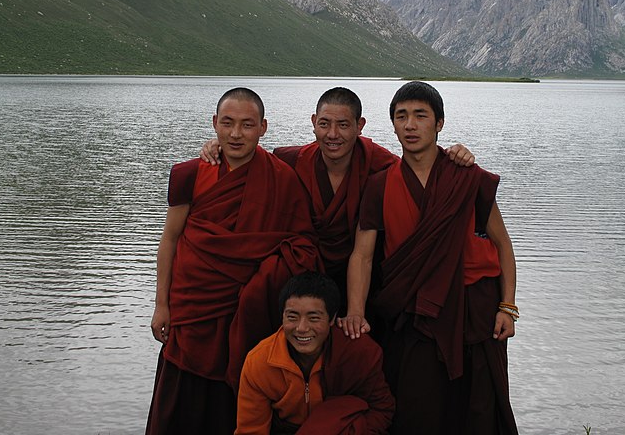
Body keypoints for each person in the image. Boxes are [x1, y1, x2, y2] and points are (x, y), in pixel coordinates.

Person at [342, 81, 519, 435]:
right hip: (414, 313)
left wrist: (507, 307)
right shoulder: (380, 185)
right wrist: (356, 312)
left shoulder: (468, 177)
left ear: (439, 123)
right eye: (401, 116)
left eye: (420, 116)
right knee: (416, 409)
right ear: (392, 124)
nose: (410, 125)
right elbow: (362, 256)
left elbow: (502, 245)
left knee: (480, 410)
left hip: (476, 311)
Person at [200, 86, 475, 312]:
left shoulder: (380, 165)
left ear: (360, 126)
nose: (333, 135)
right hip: (305, 279)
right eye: (324, 124)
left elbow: (419, 168)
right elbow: (252, 160)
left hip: (368, 282)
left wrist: (452, 155)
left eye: (343, 125)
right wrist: (219, 147)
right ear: (313, 123)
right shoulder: (292, 161)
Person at [146, 87, 321, 435]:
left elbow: (302, 248)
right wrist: (160, 305)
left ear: (263, 128)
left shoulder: (282, 177)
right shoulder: (190, 174)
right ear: (214, 123)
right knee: (181, 403)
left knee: (240, 398)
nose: (236, 134)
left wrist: (262, 282)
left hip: (247, 314)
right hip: (192, 310)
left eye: (247, 124)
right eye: (227, 123)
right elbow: (170, 239)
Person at [235, 271, 395, 434]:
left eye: (313, 318)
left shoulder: (358, 352)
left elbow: (382, 410)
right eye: (292, 317)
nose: (301, 328)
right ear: (282, 317)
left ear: (332, 319)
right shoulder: (260, 362)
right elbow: (250, 430)